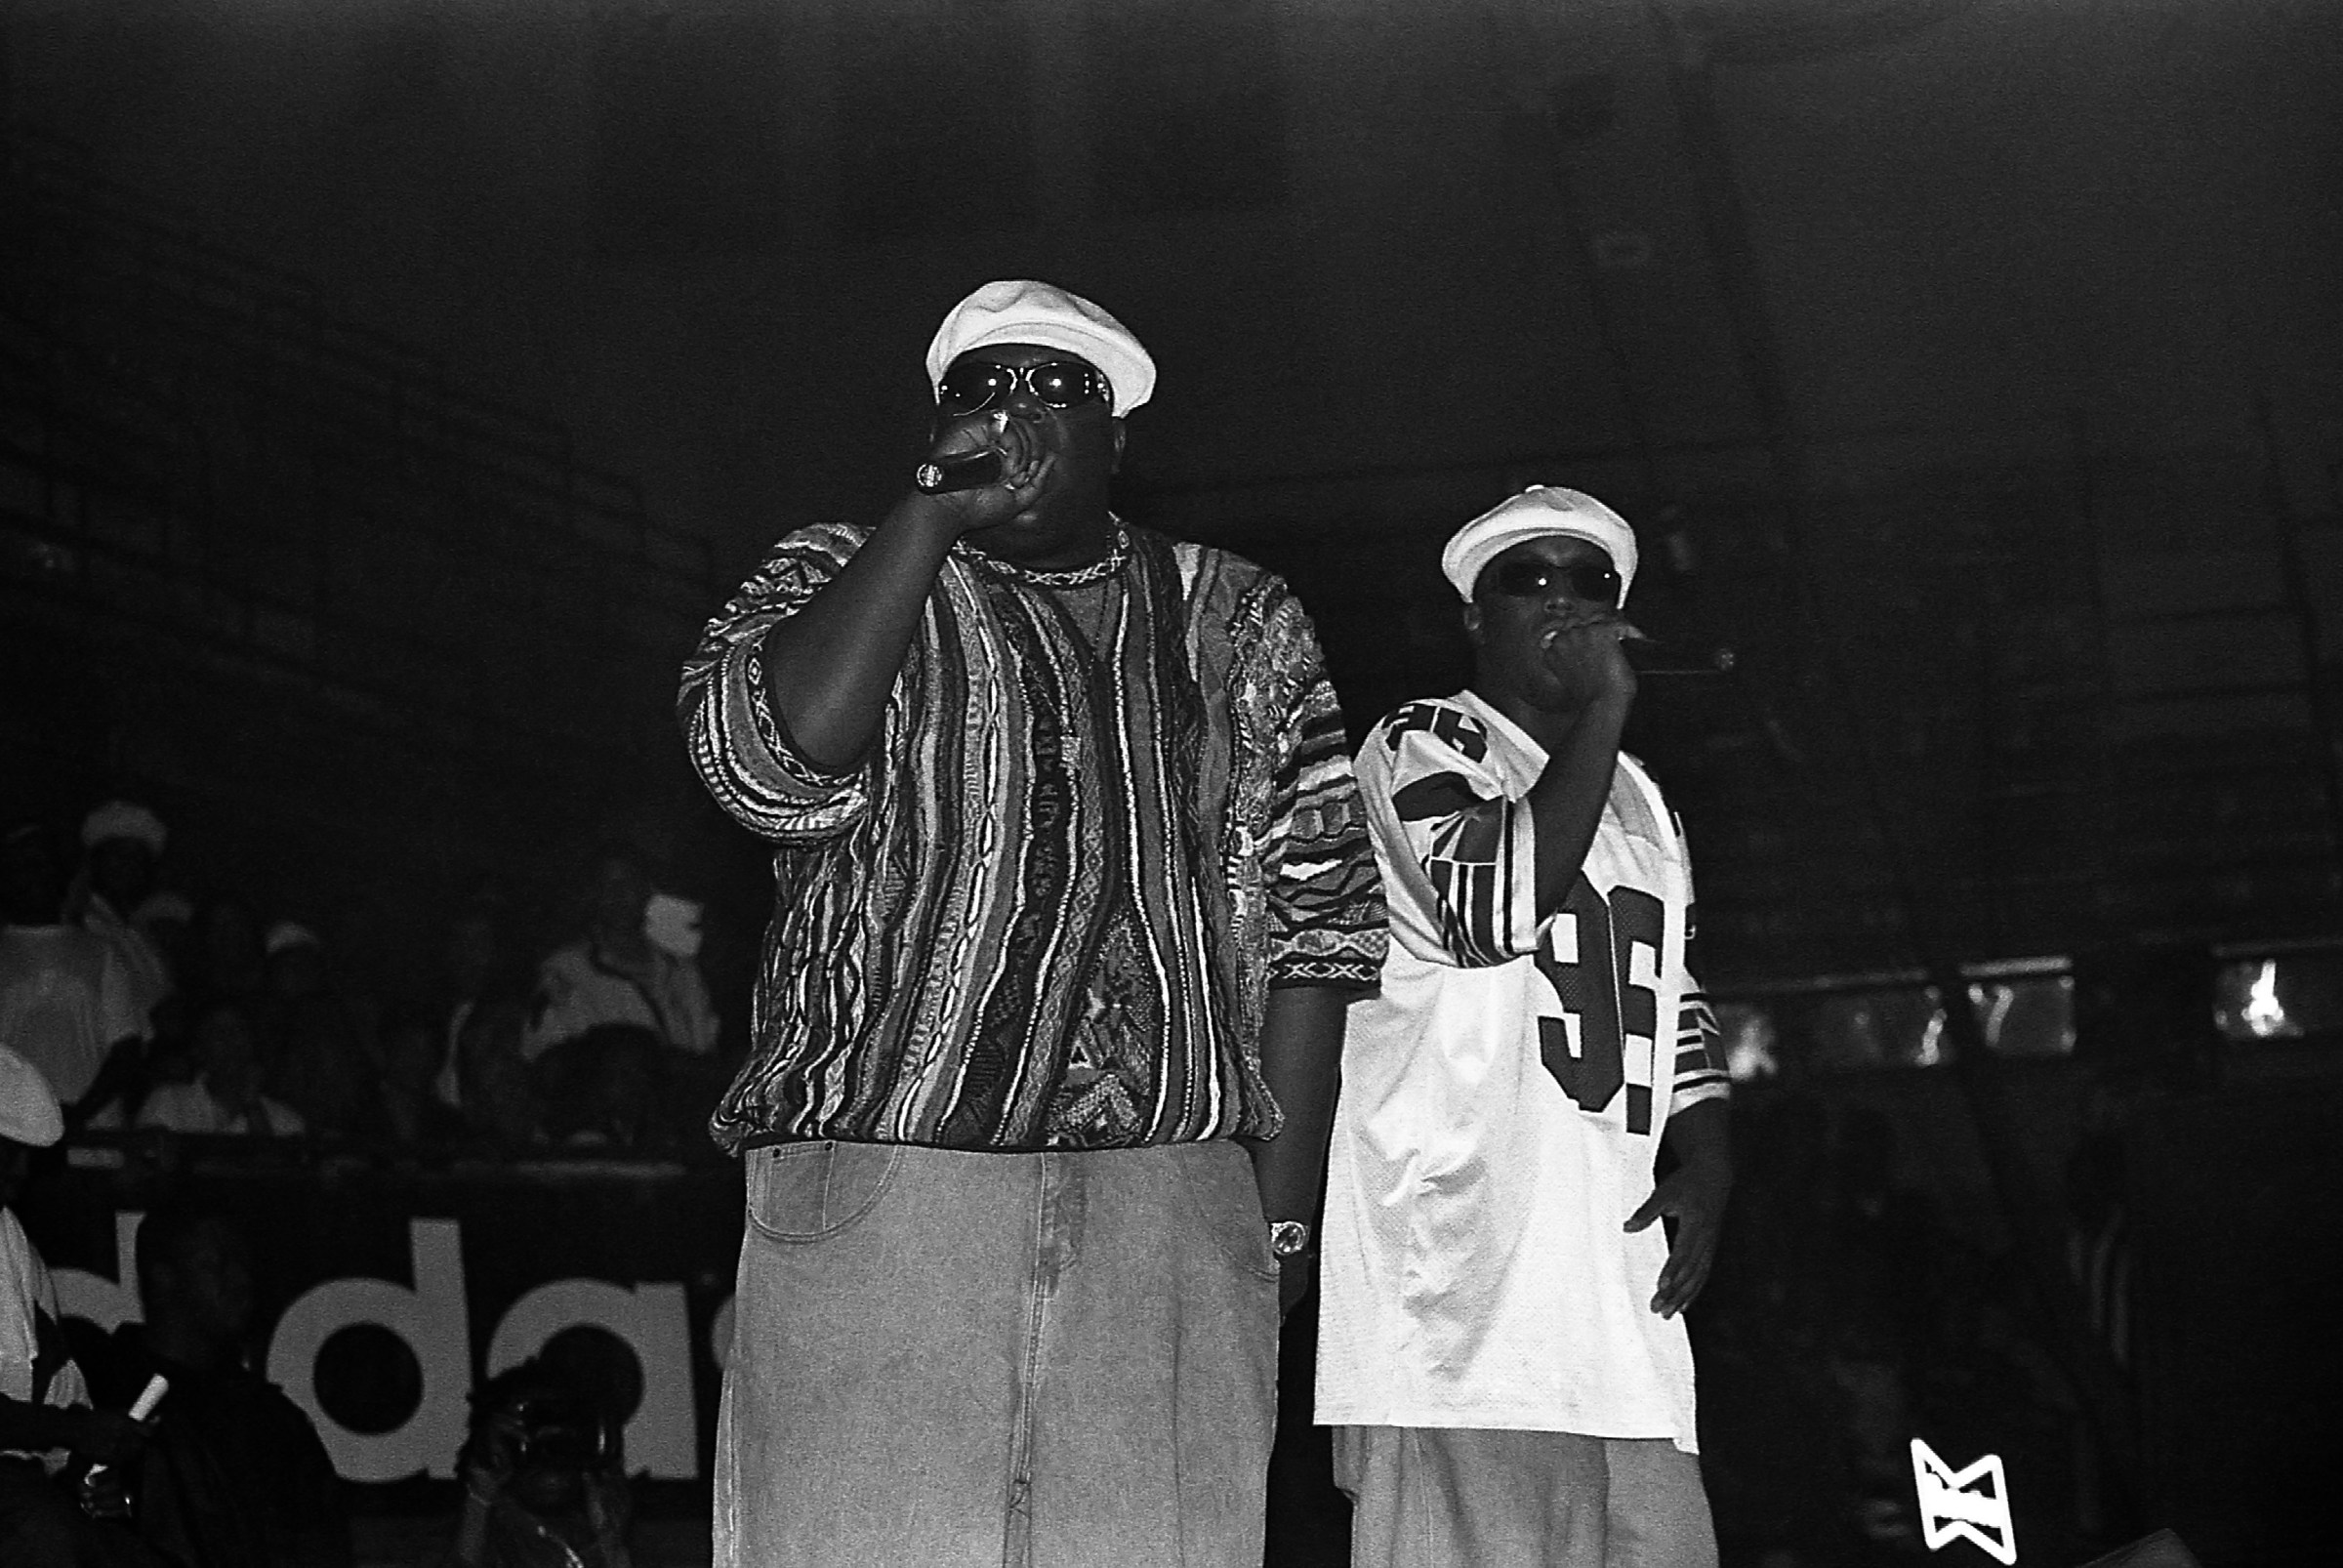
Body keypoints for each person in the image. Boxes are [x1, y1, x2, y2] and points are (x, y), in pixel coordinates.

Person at [677, 278, 1385, 1566]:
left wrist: (1274, 1221)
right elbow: (770, 767)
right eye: (983, 385)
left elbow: (1321, 920)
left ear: (1120, 438)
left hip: (1166, 1199)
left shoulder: (1235, 613)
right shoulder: (839, 564)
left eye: (1060, 388)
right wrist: (929, 518)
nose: (1017, 412)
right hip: (890, 1181)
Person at [1315, 486, 1734, 1567]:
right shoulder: (1422, 744)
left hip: (1619, 1321)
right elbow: (1491, 911)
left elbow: (1675, 990)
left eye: (1589, 581)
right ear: (1474, 618)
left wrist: (1712, 1160)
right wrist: (1602, 711)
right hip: (1460, 1303)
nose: (1561, 600)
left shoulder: (1640, 795)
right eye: (1527, 577)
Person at [81, 1201, 350, 1567]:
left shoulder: (272, 1418)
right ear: (163, 1280)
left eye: (243, 1262)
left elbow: (321, 1542)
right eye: (219, 1265)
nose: (242, 1279)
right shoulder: (99, 1392)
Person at [0, 1045, 157, 1566]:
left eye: (30, 1154)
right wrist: (70, 1431)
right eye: (9, 1151)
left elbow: (57, 1381)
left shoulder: (16, 1248)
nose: (23, 1170)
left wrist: (90, 1473)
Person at [0, 823, 148, 1127]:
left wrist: (77, 1116)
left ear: (60, 874)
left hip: (92, 1138)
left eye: (41, 864)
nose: (33, 876)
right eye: (21, 866)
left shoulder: (102, 953)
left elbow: (126, 1049)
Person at [520, 850, 718, 1066]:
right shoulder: (565, 971)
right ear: (593, 894)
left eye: (628, 882)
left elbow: (705, 1046)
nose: (618, 895)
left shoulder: (682, 972)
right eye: (607, 885)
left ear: (646, 889)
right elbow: (547, 1056)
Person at [443, 1356, 632, 1568]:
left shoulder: (607, 1518)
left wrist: (607, 1534)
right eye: (531, 1442)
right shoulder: (482, 1526)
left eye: (561, 1442)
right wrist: (480, 1498)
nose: (548, 1461)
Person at [71, 804, 175, 1033]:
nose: (127, 866)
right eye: (117, 856)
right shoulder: (79, 922)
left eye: (136, 859)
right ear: (95, 862)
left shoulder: (144, 937)